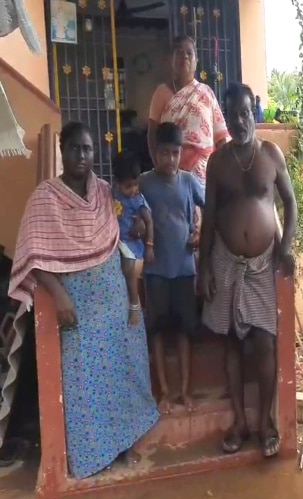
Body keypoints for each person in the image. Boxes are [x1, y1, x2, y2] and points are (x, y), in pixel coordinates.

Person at [8, 122, 159, 479]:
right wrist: (58, 294)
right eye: (75, 148)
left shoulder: (107, 193)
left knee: (122, 372)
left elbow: (130, 227)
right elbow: (32, 254)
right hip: (79, 309)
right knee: (84, 381)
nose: (81, 156)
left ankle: (123, 444)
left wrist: (141, 232)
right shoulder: (46, 198)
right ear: (62, 151)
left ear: (95, 154)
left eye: (88, 149)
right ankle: (92, 455)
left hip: (114, 303)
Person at [199, 82, 297, 458]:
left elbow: (291, 205)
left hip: (261, 266)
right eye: (232, 114)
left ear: (253, 111)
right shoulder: (218, 161)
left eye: (245, 112)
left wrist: (284, 249)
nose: (240, 121)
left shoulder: (271, 154)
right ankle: (239, 422)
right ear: (225, 116)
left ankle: (267, 422)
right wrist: (204, 266)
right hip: (225, 261)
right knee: (231, 341)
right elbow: (208, 218)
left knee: (263, 341)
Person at [140, 122, 205, 414]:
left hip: (184, 270)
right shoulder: (144, 183)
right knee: (158, 332)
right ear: (155, 153)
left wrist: (199, 231)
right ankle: (164, 391)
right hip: (155, 273)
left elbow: (210, 206)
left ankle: (185, 390)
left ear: (181, 154)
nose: (169, 159)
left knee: (183, 332)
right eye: (164, 153)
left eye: (175, 153)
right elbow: (129, 212)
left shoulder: (190, 182)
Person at [147, 35, 230, 182]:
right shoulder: (161, 93)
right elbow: (152, 135)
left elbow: (221, 137)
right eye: (179, 52)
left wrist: (224, 173)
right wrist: (159, 169)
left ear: (196, 62)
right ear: (171, 61)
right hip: (172, 176)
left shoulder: (207, 93)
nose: (184, 57)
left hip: (205, 176)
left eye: (189, 53)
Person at [113, 151, 154, 326]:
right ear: (117, 183)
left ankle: (134, 304)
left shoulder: (138, 200)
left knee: (129, 267)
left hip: (132, 245)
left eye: (135, 185)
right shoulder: (112, 195)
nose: (133, 190)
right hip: (116, 242)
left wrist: (150, 246)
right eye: (128, 186)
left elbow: (149, 222)